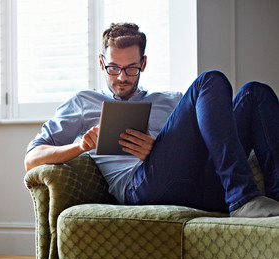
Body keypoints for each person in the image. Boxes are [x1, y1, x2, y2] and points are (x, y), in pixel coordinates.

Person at [24, 22, 279, 218]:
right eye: (113, 68)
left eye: (131, 68)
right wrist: (79, 147)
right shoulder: (83, 102)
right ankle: (243, 199)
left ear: (143, 64)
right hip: (141, 188)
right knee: (208, 80)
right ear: (101, 64)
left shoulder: (171, 100)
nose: (121, 77)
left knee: (256, 93)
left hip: (200, 183)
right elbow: (31, 158)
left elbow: (210, 143)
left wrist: (157, 148)